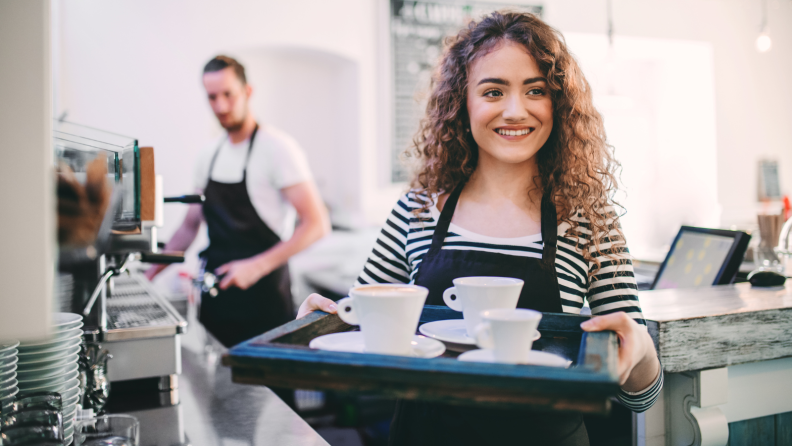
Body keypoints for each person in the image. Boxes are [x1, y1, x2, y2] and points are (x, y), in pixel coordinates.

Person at [298, 11, 661, 446]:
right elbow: (364, 332)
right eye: (493, 91)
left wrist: (638, 351)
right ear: (461, 102)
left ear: (558, 102)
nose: (515, 110)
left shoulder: (588, 219)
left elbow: (643, 396)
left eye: (535, 91)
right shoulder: (418, 209)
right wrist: (324, 324)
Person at [147, 55, 330, 348]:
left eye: (228, 95)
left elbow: (317, 224)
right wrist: (149, 275)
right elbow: (190, 226)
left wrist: (255, 266)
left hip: (265, 303)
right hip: (216, 306)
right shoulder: (208, 155)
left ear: (247, 92)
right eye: (212, 97)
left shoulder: (278, 149)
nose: (220, 106)